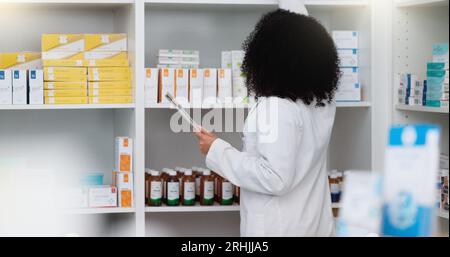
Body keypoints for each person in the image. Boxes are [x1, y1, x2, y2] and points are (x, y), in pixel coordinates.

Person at [194, 1, 340, 237]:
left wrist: (217, 150)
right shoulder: (321, 102)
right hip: (314, 223)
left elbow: (275, 178)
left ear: (267, 56)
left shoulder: (277, 106)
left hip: (280, 228)